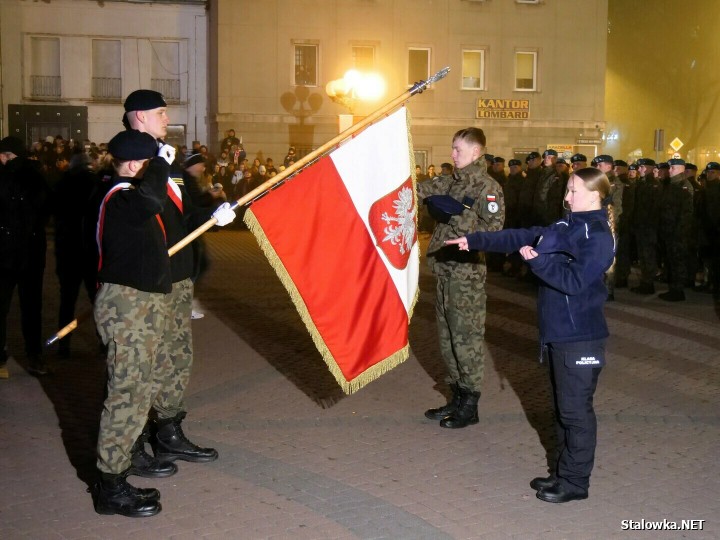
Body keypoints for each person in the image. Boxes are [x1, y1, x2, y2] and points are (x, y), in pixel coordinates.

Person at [446, 167, 615, 503]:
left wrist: (539, 263)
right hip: (559, 335)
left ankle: (576, 483)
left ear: (595, 195)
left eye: (573, 191)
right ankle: (562, 474)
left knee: (575, 412)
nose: (566, 198)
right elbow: (521, 235)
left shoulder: (597, 235)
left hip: (580, 336)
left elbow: (575, 282)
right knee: (562, 410)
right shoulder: (567, 225)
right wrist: (475, 240)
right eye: (566, 190)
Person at [122, 89, 236, 473]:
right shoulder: (130, 159)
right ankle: (131, 442)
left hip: (179, 277)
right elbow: (133, 217)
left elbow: (182, 216)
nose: (167, 119)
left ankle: (167, 433)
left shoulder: (168, 163)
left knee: (176, 358)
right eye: (160, 113)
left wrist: (212, 214)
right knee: (141, 365)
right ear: (139, 116)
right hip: (145, 281)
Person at [92, 129, 175, 517]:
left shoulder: (130, 199)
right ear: (134, 164)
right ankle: (109, 486)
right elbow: (152, 199)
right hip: (127, 308)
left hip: (142, 306)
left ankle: (120, 471)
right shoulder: (119, 198)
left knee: (139, 392)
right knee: (126, 394)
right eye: (149, 163)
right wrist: (161, 163)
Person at [417, 127, 505, 429]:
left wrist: (455, 215)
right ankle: (455, 395)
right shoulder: (450, 181)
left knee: (466, 339)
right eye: (452, 148)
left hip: (466, 274)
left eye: (458, 149)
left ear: (475, 152)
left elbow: (494, 230)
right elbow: (418, 190)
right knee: (447, 339)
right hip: (444, 270)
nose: (453, 154)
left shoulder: (486, 187)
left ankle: (470, 402)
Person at [0, 136, 50, 378]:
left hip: (6, 252)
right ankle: (34, 355)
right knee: (32, 306)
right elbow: (47, 210)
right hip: (32, 251)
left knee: (2, 305)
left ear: (7, 155)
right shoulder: (38, 176)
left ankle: (1, 358)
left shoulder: (4, 176)